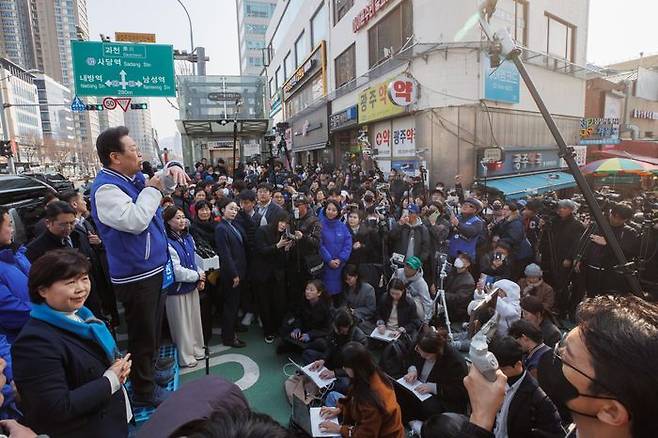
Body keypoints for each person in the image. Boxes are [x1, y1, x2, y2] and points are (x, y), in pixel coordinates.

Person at [90, 126, 187, 407]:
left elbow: (161, 182)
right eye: (132, 149)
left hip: (152, 269)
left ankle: (152, 370)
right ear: (115, 157)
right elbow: (135, 220)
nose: (139, 153)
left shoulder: (131, 179)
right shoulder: (107, 189)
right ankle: (144, 391)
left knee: (153, 327)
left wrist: (174, 168)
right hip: (136, 275)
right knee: (141, 334)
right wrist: (152, 189)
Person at [11, 250, 132, 437]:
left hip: (112, 420)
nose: (81, 288)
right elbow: (55, 408)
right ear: (42, 290)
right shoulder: (34, 343)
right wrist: (110, 380)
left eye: (84, 279)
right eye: (70, 282)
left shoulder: (82, 317)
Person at [25, 201, 103, 318]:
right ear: (48, 223)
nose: (68, 228)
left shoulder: (78, 235)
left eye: (72, 223)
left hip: (90, 300)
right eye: (63, 224)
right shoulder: (35, 250)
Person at [319, 342, 405, 438]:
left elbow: (367, 435)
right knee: (332, 396)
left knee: (330, 434)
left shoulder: (372, 398)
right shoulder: (369, 373)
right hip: (367, 422)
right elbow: (353, 398)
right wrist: (340, 409)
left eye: (346, 366)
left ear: (356, 368)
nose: (343, 368)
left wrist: (339, 429)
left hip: (380, 434)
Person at [487, 336, 562, 438]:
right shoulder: (494, 380)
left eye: (502, 369)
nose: (497, 373)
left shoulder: (538, 399)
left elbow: (554, 432)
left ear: (518, 365)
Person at [397, 330, 468, 432]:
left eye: (426, 356)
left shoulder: (455, 362)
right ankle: (411, 421)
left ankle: (418, 425)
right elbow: (410, 358)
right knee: (399, 392)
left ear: (437, 352)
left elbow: (460, 391)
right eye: (418, 351)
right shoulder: (418, 345)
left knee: (428, 408)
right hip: (417, 386)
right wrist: (412, 369)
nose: (421, 356)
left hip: (441, 396)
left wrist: (433, 388)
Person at [163, 206, 206, 368]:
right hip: (176, 291)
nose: (181, 221)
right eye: (177, 218)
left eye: (182, 217)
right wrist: (197, 276)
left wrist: (200, 274)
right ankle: (185, 356)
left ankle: (197, 349)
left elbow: (194, 261)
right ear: (168, 221)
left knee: (194, 320)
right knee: (181, 325)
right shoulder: (166, 242)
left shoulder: (188, 237)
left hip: (191, 287)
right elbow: (176, 271)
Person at [577, 202, 640, 297]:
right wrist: (577, 259)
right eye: (614, 216)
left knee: (606, 300)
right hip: (591, 269)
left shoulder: (629, 232)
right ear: (610, 212)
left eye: (620, 219)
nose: (616, 220)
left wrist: (608, 243)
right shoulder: (597, 225)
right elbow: (583, 242)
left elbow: (629, 253)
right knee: (589, 296)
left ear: (626, 219)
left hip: (611, 274)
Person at [538, 199, 584, 314]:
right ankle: (549, 303)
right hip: (550, 256)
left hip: (563, 258)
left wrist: (569, 257)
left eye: (564, 208)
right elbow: (545, 238)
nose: (561, 210)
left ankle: (561, 307)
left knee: (561, 283)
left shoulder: (577, 225)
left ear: (571, 210)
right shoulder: (555, 221)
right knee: (549, 280)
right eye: (560, 207)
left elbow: (576, 243)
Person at [305, 309, 367, 394]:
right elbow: (330, 347)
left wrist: (335, 373)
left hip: (346, 371)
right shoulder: (336, 330)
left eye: (340, 330)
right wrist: (323, 359)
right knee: (308, 354)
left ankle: (322, 387)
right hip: (332, 362)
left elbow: (357, 367)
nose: (337, 332)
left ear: (347, 326)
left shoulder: (359, 339)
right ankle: (322, 383)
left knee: (345, 384)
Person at [252, 210, 291, 343]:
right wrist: (277, 246)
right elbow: (261, 251)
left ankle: (278, 328)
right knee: (265, 304)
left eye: (286, 223)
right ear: (275, 220)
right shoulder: (262, 231)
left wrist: (285, 250)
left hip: (278, 275)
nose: (283, 225)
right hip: (263, 275)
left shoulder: (284, 235)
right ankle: (268, 331)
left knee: (279, 303)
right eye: (281, 222)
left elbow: (283, 260)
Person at [214, 199, 248, 348]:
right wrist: (234, 274)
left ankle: (233, 328)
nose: (234, 211)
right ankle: (228, 337)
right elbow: (225, 254)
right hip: (231, 273)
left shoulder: (233, 225)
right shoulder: (221, 228)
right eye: (231, 209)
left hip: (240, 270)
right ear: (222, 210)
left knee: (235, 304)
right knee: (230, 306)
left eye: (235, 209)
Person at [0, 208, 31, 344]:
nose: (12, 230)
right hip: (19, 342)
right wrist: (51, 309)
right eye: (9, 225)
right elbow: (11, 312)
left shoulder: (17, 253)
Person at [278, 279, 332, 355]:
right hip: (304, 328)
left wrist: (310, 335)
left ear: (319, 293)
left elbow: (327, 329)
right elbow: (298, 315)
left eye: (311, 290)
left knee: (321, 343)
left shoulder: (325, 307)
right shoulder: (303, 299)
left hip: (316, 333)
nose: (308, 292)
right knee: (285, 326)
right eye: (307, 289)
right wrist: (297, 328)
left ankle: (300, 347)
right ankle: (298, 345)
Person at [319, 200, 352, 304]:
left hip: (339, 266)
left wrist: (340, 259)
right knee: (325, 295)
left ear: (338, 212)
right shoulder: (319, 225)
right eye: (329, 209)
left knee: (338, 296)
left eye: (334, 210)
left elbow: (348, 243)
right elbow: (319, 245)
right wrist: (329, 260)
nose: (331, 212)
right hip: (325, 266)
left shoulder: (342, 226)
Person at [491, 202, 533, 277]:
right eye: (503, 209)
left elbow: (514, 238)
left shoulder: (516, 223)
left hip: (520, 254)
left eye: (507, 210)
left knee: (515, 274)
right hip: (512, 252)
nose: (504, 212)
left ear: (513, 212)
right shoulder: (506, 220)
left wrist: (499, 241)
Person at [394, 256, 433, 322]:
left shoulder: (421, 283)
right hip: (397, 296)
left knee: (420, 313)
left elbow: (427, 302)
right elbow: (390, 285)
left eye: (411, 268)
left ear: (417, 270)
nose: (407, 269)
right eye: (406, 265)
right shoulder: (398, 272)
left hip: (413, 301)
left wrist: (426, 321)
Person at [444, 252, 475, 322]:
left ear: (468, 264)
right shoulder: (452, 272)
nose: (459, 259)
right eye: (459, 257)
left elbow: (458, 298)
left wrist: (442, 295)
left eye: (462, 258)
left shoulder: (468, 281)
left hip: (455, 312)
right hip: (445, 304)